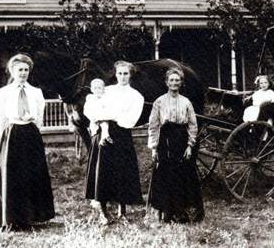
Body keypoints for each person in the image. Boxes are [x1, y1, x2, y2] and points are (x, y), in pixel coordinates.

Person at [0, 54, 55, 230]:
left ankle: (32, 216)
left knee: (32, 173)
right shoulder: (3, 92)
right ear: (12, 71)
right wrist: (3, 137)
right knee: (11, 174)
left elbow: (39, 115)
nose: (23, 73)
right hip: (12, 133)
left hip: (30, 134)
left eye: (26, 70)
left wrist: (34, 131)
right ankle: (11, 217)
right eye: (19, 70)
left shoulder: (35, 92)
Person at [85, 61, 144, 225]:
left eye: (126, 73)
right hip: (104, 133)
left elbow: (130, 120)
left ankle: (122, 211)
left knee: (122, 171)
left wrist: (110, 115)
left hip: (122, 135)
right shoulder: (106, 91)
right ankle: (103, 212)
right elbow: (92, 109)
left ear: (130, 75)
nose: (122, 77)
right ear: (115, 74)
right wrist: (105, 116)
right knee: (103, 171)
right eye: (120, 73)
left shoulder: (136, 96)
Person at [147, 67, 204, 223]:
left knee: (181, 176)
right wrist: (154, 147)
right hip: (165, 141)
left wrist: (190, 145)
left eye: (177, 80)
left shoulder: (186, 102)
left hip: (181, 141)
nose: (174, 83)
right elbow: (153, 125)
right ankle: (166, 213)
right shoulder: (159, 102)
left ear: (181, 83)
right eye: (171, 80)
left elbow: (193, 125)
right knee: (166, 175)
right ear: (166, 82)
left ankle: (181, 212)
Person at [83, 78, 112, 145]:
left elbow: (108, 107)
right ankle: (99, 138)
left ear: (103, 89)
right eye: (95, 88)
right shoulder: (90, 98)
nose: (97, 90)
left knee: (105, 125)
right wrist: (93, 118)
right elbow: (86, 110)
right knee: (94, 128)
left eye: (99, 88)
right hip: (94, 118)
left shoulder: (105, 98)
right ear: (91, 89)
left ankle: (104, 138)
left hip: (103, 117)